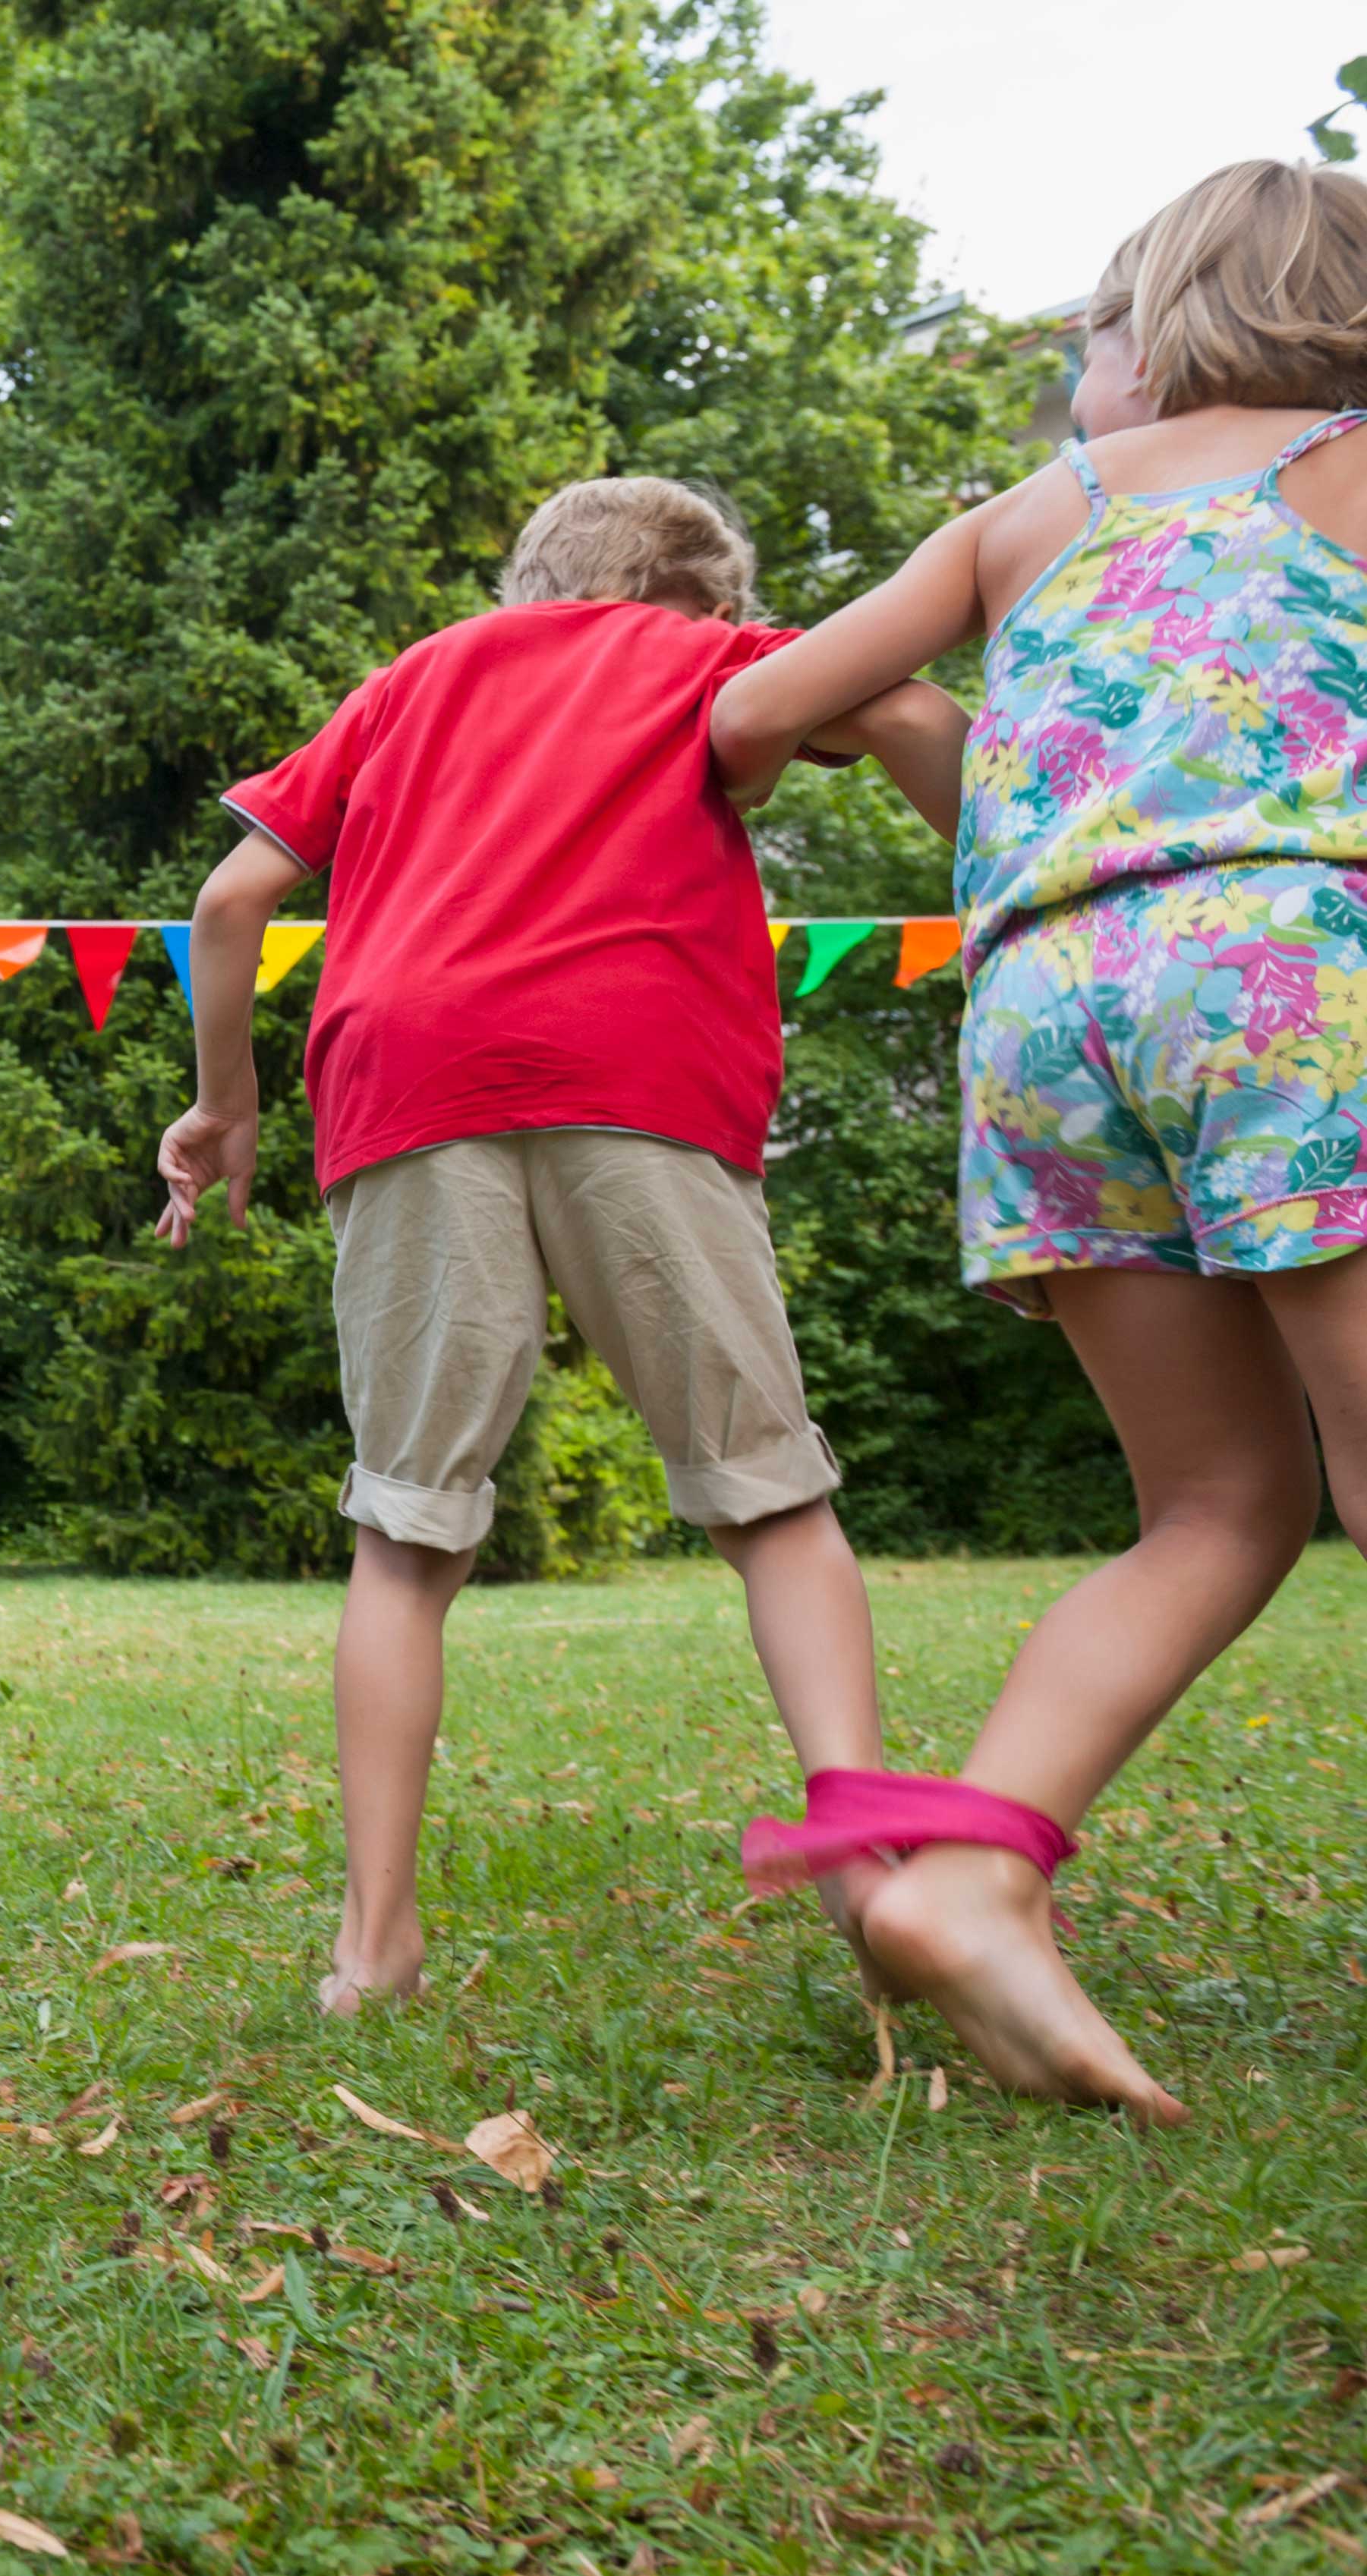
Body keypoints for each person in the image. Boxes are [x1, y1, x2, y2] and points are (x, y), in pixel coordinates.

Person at [711, 160, 1367, 2124]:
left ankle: (983, 1873)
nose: (1084, 369)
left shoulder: (1030, 518)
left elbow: (750, 716)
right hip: (1284, 966)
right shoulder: (1348, 464)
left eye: (1088, 332)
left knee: (1220, 1507)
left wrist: (887, 709)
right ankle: (980, 1880)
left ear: (1159, 332)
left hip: (1044, 1016)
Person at [156, 476, 965, 2017]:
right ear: (710, 601)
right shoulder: (708, 659)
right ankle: (876, 1877)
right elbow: (915, 706)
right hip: (639, 1065)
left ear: (530, 578)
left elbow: (231, 890)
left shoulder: (414, 680)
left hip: (408, 1082)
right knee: (771, 1499)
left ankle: (371, 1946)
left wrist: (227, 1104)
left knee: (407, 1532)